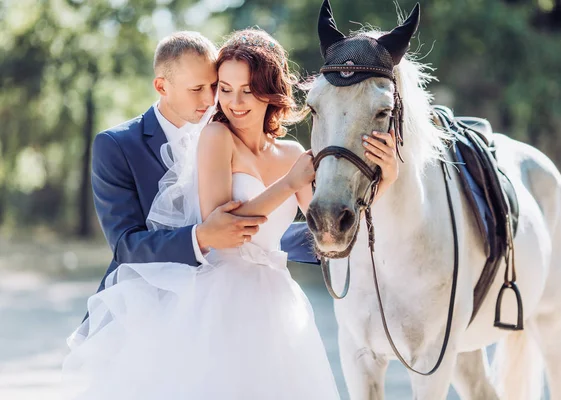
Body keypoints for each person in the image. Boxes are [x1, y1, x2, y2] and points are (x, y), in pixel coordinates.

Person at [62, 29, 399, 399]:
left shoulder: (290, 153)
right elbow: (137, 242)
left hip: (275, 297)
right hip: (201, 295)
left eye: (225, 87)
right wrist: (277, 191)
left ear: (269, 90)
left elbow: (327, 224)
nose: (216, 101)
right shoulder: (177, 140)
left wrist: (388, 177)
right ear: (162, 86)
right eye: (213, 88)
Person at [88, 31, 316, 298]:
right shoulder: (117, 145)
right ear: (162, 87)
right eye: (197, 89)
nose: (211, 100)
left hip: (245, 290)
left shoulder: (231, 129)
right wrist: (202, 237)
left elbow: (268, 226)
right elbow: (126, 245)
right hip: (145, 300)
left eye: (215, 86)